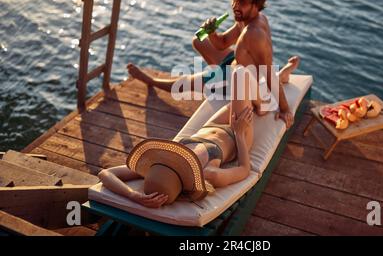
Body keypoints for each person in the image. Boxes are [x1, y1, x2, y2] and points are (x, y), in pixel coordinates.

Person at [98, 59, 298, 208]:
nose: (171, 159)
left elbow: (106, 173)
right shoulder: (207, 173)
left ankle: (279, 79)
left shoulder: (159, 165)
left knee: (242, 83)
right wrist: (238, 133)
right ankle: (267, 97)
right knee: (241, 75)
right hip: (236, 135)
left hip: (211, 127)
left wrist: (133, 195)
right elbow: (244, 170)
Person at [127, 0, 299, 128]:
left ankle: (150, 80)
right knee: (198, 40)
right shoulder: (245, 19)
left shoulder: (254, 33)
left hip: (237, 80)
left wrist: (285, 109)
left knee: (183, 83)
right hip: (233, 63)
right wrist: (211, 32)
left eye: (242, 3)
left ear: (256, 5)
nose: (235, 6)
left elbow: (266, 72)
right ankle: (282, 74)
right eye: (234, 0)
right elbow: (222, 43)